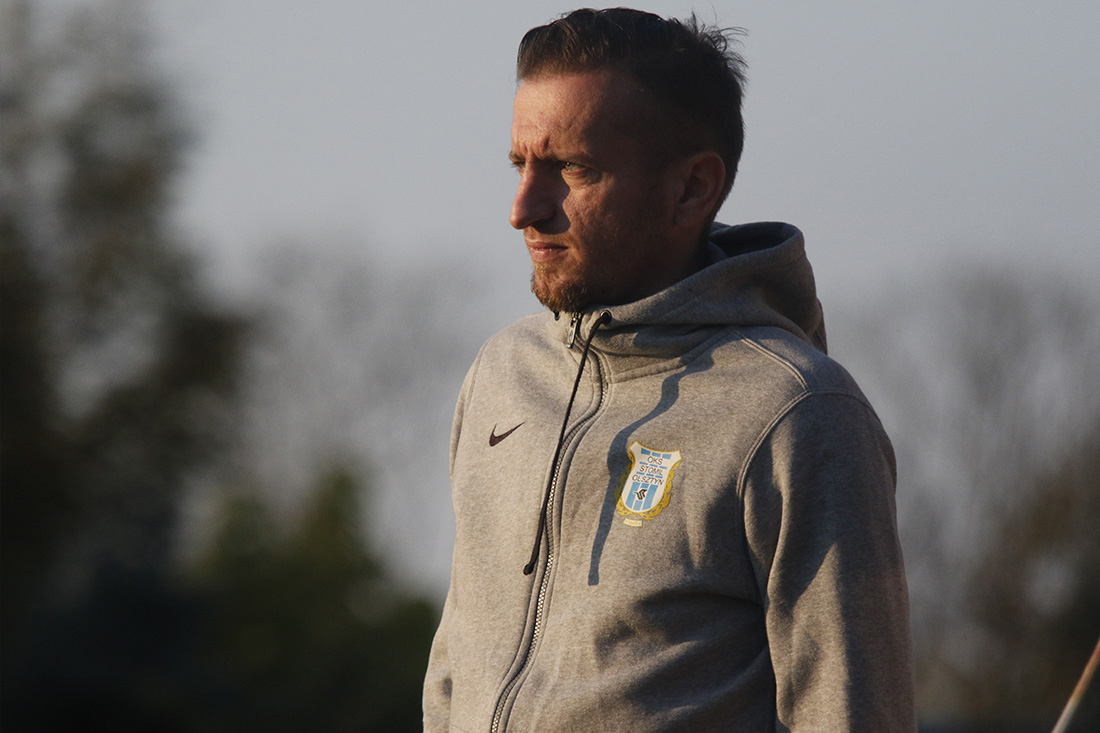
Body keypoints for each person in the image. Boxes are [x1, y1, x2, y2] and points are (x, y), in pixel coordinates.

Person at [423, 8, 915, 731]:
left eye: (572, 169)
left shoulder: (800, 413)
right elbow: (453, 672)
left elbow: (851, 713)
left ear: (691, 188)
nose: (524, 208)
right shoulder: (502, 373)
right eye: (519, 165)